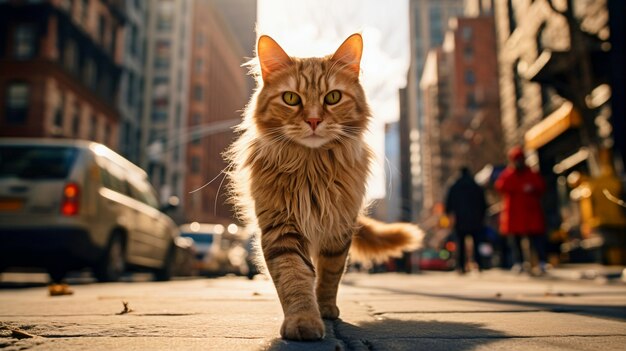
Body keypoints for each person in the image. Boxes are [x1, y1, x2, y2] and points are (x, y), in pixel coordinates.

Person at [495, 146, 547, 274]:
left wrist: (532, 188)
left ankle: (541, 262)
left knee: (535, 240)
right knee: (516, 241)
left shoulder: (530, 174)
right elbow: (500, 186)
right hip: (515, 214)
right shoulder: (508, 175)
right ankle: (519, 262)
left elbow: (541, 186)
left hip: (530, 213)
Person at [445, 167, 487, 274]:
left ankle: (461, 266)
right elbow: (483, 203)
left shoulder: (455, 186)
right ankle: (480, 265)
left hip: (461, 220)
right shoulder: (476, 185)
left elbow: (448, 204)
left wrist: (449, 215)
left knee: (461, 244)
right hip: (475, 220)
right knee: (477, 244)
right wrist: (482, 216)